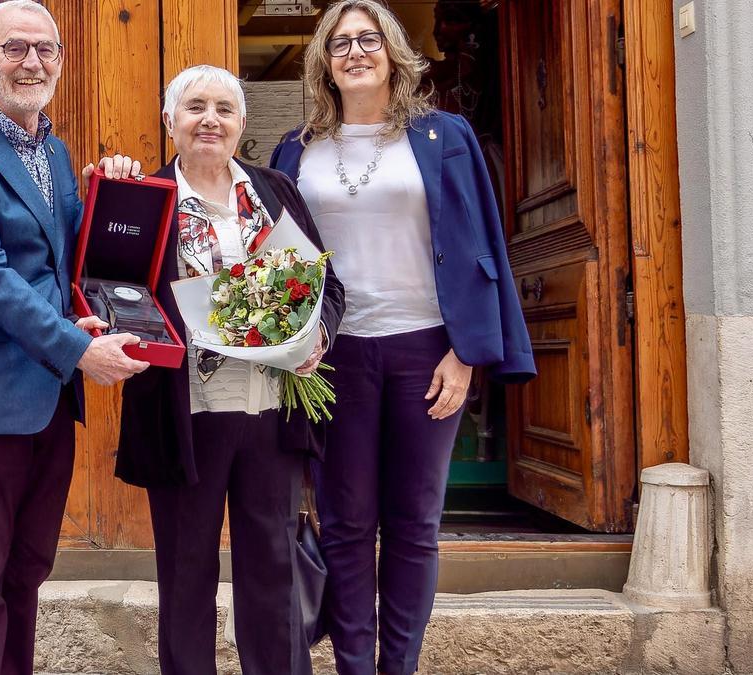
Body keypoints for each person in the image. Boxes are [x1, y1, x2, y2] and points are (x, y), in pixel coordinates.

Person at [269, 2, 536, 674]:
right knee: (348, 522)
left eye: (368, 39)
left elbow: (482, 246)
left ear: (393, 53)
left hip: (425, 351)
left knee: (415, 524)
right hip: (334, 356)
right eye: (340, 43)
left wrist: (467, 353)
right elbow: (278, 260)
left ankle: (401, 666)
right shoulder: (296, 149)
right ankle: (356, 665)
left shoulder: (445, 137)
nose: (354, 51)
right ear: (324, 62)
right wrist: (285, 348)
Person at [0, 2, 145, 673]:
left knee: (27, 571)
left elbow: (68, 262)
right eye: (15, 48)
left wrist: (114, 190)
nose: (32, 62)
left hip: (48, 397)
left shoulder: (54, 150)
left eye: (45, 49)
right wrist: (79, 349)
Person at [113, 65, 346, 675]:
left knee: (272, 567)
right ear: (170, 122)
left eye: (224, 108)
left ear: (242, 123)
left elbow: (326, 284)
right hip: (185, 412)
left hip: (271, 412)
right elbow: (113, 289)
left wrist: (318, 333)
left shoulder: (275, 190)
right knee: (186, 573)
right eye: (195, 107)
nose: (210, 119)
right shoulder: (145, 199)